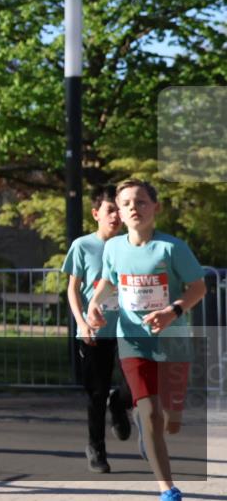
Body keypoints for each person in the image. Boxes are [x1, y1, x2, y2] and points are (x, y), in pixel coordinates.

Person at [87, 179, 207, 501]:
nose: (133, 208)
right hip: (133, 341)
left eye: (141, 202)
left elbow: (198, 288)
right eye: (126, 203)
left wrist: (173, 311)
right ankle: (167, 488)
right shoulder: (113, 248)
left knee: (168, 419)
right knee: (151, 413)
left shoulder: (172, 248)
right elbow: (108, 282)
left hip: (171, 341)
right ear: (120, 213)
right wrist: (94, 303)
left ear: (156, 208)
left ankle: (139, 420)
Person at [63, 184, 132, 473]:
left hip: (129, 328)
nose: (116, 215)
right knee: (96, 391)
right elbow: (73, 290)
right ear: (96, 214)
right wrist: (81, 323)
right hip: (95, 330)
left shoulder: (132, 244)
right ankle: (97, 448)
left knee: (134, 386)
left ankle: (119, 403)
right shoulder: (83, 245)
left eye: (119, 209)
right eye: (110, 210)